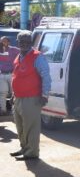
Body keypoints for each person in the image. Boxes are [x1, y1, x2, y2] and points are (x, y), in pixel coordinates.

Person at [9, 31, 51, 161]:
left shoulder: (37, 57)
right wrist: (12, 94)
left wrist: (44, 95)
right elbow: (15, 76)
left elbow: (46, 77)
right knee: (20, 125)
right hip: (18, 98)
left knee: (31, 126)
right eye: (22, 41)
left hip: (32, 98)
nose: (24, 44)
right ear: (18, 42)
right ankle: (24, 148)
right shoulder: (18, 56)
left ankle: (32, 152)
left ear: (32, 42)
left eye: (27, 41)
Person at [0, 36, 20, 115]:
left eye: (4, 41)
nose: (3, 43)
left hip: (12, 74)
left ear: (8, 42)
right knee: (2, 93)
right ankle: (3, 110)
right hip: (2, 74)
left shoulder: (14, 50)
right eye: (1, 41)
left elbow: (25, 51)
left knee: (14, 93)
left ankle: (14, 110)